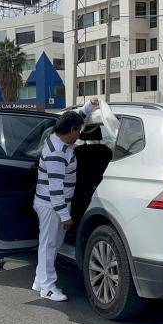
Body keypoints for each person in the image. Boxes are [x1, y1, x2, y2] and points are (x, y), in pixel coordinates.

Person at [32, 99, 98, 301]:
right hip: (51, 205)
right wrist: (65, 216)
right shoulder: (56, 154)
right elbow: (55, 190)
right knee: (49, 246)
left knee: (49, 244)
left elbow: (75, 118)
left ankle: (40, 280)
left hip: (50, 203)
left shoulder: (57, 137)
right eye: (78, 131)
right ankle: (47, 288)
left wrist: (88, 107)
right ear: (71, 130)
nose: (79, 135)